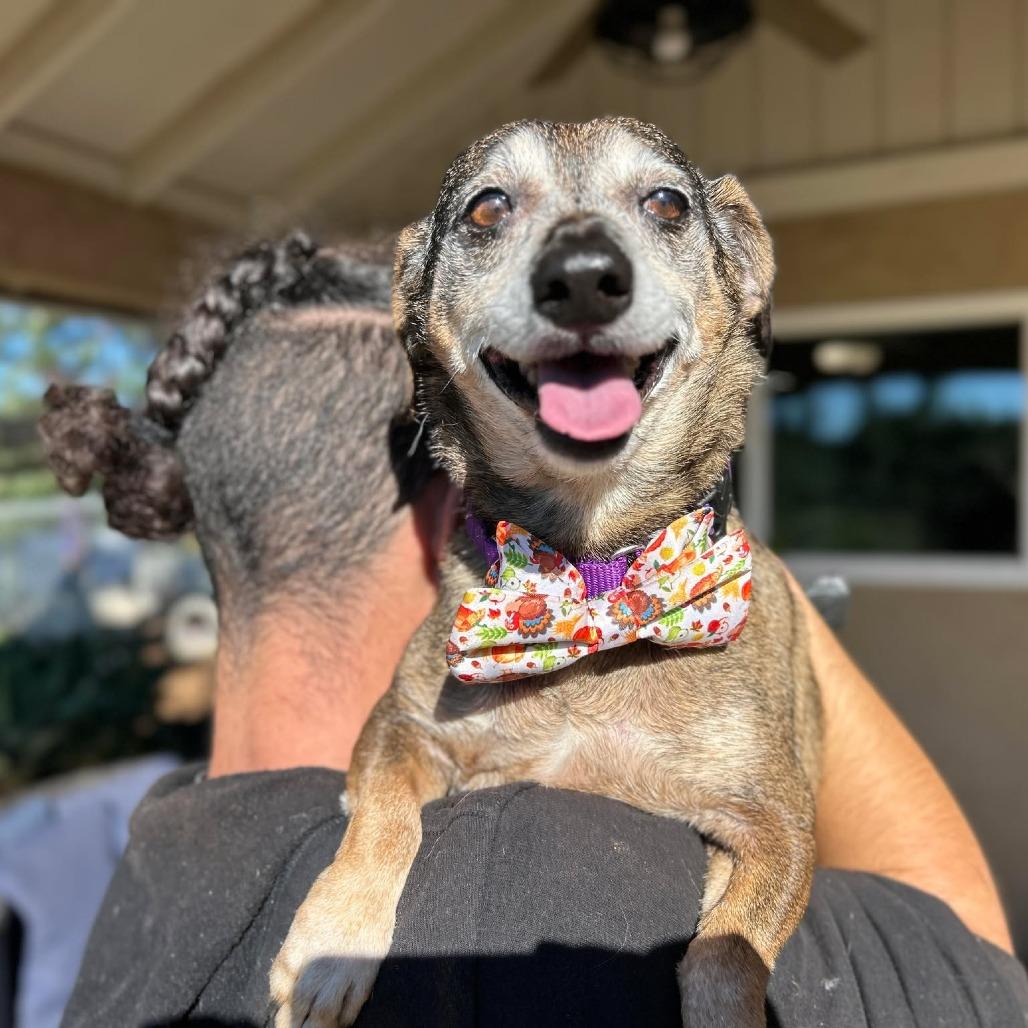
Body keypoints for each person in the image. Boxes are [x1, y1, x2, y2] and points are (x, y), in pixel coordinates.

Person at [41, 233, 1027, 1028]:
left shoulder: (138, 860)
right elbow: (970, 970)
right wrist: (686, 527)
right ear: (466, 505)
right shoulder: (533, 888)